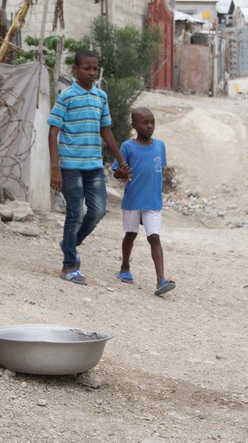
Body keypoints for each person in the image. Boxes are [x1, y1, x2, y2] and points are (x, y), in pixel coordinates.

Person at [48, 50, 130, 285]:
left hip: (93, 165)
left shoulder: (100, 97)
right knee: (76, 213)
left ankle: (69, 245)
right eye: (87, 68)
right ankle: (69, 266)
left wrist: (121, 161)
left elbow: (106, 130)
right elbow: (53, 130)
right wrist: (55, 167)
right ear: (75, 69)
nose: (92, 73)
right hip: (70, 165)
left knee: (97, 211)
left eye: (95, 68)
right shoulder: (67, 97)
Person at [111, 107, 175, 296]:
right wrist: (120, 174)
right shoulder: (127, 147)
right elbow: (117, 173)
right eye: (144, 123)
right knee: (130, 235)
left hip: (153, 202)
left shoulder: (160, 146)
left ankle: (160, 280)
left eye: (152, 122)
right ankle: (124, 267)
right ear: (134, 125)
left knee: (154, 237)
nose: (149, 126)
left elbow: (159, 171)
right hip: (133, 200)